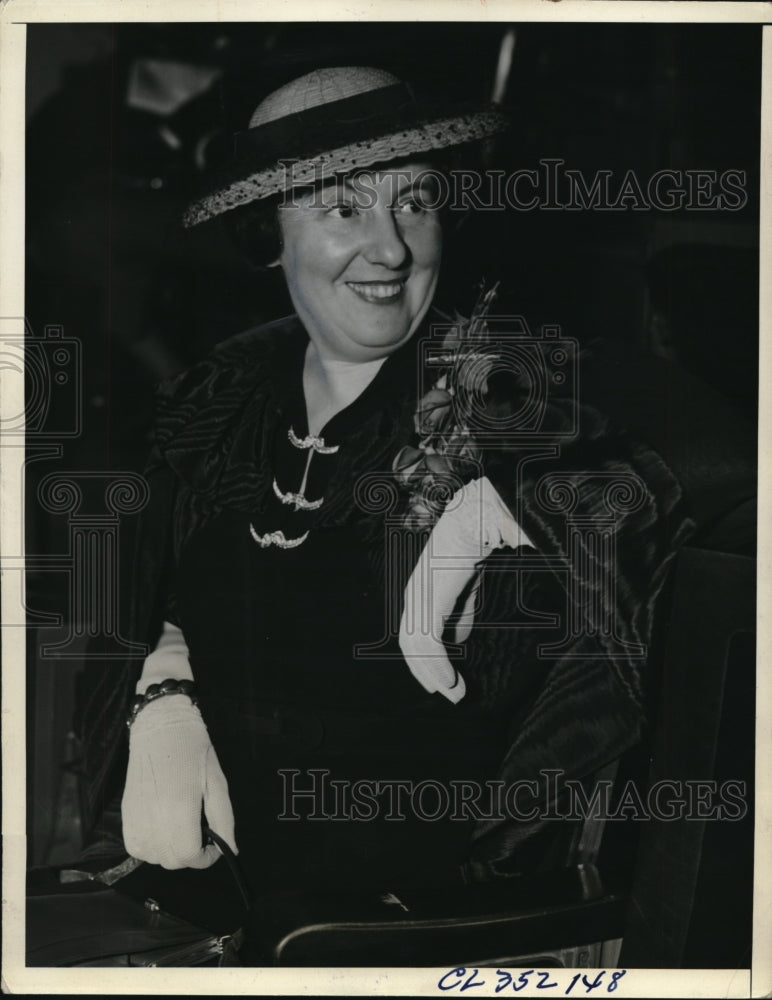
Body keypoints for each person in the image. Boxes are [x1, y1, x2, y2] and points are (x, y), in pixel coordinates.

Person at [80, 66, 693, 919]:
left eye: (415, 203)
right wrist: (162, 687)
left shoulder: (509, 391)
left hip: (416, 919)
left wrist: (522, 499)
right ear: (270, 235)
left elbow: (701, 480)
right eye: (343, 209)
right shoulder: (221, 398)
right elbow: (143, 581)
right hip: (202, 893)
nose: (393, 247)